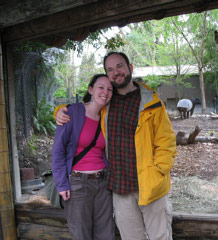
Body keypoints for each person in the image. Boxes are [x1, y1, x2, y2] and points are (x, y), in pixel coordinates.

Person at [56, 52, 177, 240]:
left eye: (119, 66)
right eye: (110, 69)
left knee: (159, 236)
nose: (116, 72)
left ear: (130, 67)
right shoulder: (106, 105)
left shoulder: (152, 103)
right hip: (120, 189)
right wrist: (60, 111)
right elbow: (84, 110)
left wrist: (158, 171)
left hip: (149, 185)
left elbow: (167, 142)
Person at [52, 74, 115, 240]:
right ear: (90, 90)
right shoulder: (71, 113)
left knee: (106, 234)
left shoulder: (107, 116)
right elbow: (58, 151)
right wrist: (61, 183)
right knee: (81, 234)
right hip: (78, 184)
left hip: (103, 183)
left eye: (109, 89)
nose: (105, 92)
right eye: (101, 87)